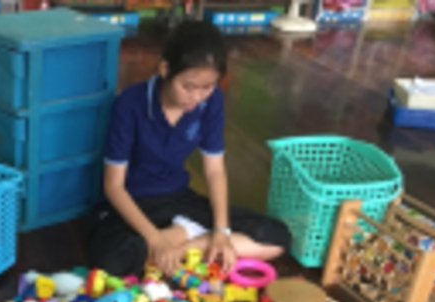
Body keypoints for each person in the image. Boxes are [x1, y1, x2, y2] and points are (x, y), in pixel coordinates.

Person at [88, 20, 291, 278]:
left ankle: (185, 244)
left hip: (177, 199)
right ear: (165, 69)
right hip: (132, 202)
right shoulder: (130, 103)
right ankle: (184, 236)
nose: (196, 97)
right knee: (111, 261)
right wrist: (155, 239)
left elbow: (214, 170)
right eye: (188, 86)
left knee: (277, 237)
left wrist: (221, 231)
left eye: (207, 87)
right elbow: (114, 186)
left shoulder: (211, 101)